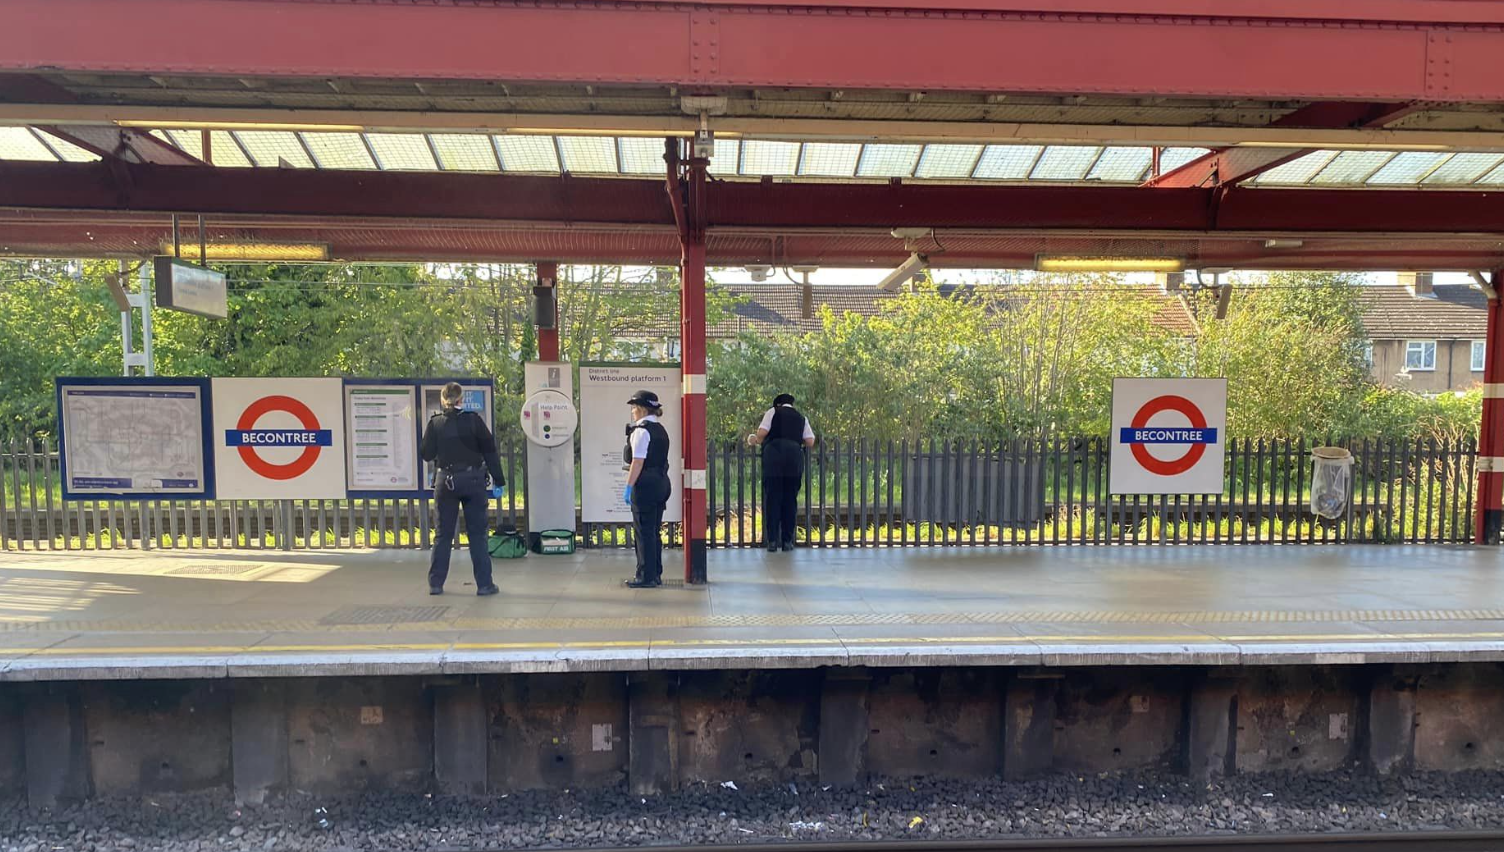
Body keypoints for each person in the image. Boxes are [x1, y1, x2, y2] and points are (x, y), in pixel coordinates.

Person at [420, 382, 505, 596]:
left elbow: (426, 454)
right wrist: (499, 480)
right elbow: (490, 451)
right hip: (473, 481)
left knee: (442, 535)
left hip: (445, 481)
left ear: (443, 400)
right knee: (477, 535)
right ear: (461, 399)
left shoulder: (435, 423)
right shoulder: (474, 421)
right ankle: (484, 585)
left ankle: (436, 584)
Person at [747, 393, 816, 552]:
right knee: (790, 499)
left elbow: (762, 432)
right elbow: (810, 441)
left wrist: (758, 439)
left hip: (774, 457)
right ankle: (787, 541)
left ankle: (772, 541)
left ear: (777, 404)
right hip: (794, 459)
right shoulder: (801, 418)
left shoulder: (772, 412)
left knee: (773, 497)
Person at [624, 389, 671, 588]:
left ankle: (645, 576)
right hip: (661, 483)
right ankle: (655, 573)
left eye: (634, 407)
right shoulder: (660, 430)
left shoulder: (641, 431)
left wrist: (629, 486)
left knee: (643, 532)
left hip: (645, 486)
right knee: (653, 531)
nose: (632, 411)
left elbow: (637, 462)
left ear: (643, 409)